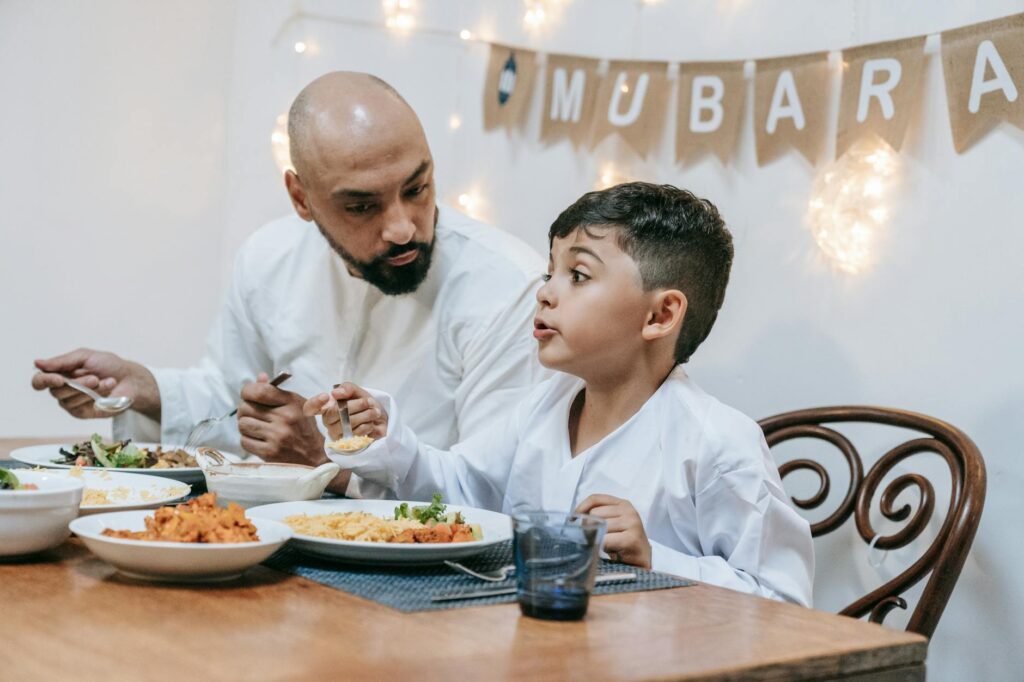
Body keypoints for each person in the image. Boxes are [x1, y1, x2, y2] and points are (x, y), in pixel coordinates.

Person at [30, 71, 546, 497]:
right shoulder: (268, 258)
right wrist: (147, 391)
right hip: (272, 555)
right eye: (362, 205)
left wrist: (329, 462)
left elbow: (497, 492)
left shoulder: (505, 287)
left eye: (418, 188)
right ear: (301, 197)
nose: (402, 227)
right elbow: (233, 400)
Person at [305, 182, 814, 604]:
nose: (545, 291)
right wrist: (385, 440)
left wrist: (658, 559)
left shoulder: (720, 446)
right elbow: (460, 491)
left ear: (659, 315)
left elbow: (785, 603)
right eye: (551, 271)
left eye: (578, 275)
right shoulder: (545, 405)